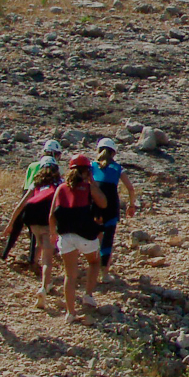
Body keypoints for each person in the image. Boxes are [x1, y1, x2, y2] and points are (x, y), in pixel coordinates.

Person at [50, 155, 109, 325]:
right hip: (84, 234)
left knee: (70, 274)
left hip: (65, 235)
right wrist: (93, 183)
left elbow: (52, 214)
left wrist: (53, 234)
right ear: (87, 171)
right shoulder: (88, 187)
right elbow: (103, 203)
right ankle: (88, 295)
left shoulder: (60, 188)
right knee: (94, 262)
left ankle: (70, 313)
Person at [0, 161, 60, 309]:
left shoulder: (36, 184)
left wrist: (10, 224)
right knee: (47, 258)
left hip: (32, 222)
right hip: (48, 223)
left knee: (39, 243)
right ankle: (44, 286)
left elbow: (21, 205)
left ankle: (34, 264)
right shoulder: (58, 184)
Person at [91, 138, 136, 282]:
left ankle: (93, 268)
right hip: (111, 206)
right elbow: (130, 188)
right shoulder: (117, 168)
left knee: (96, 238)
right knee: (108, 238)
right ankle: (104, 273)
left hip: (95, 206)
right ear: (113, 153)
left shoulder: (91, 166)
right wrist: (131, 205)